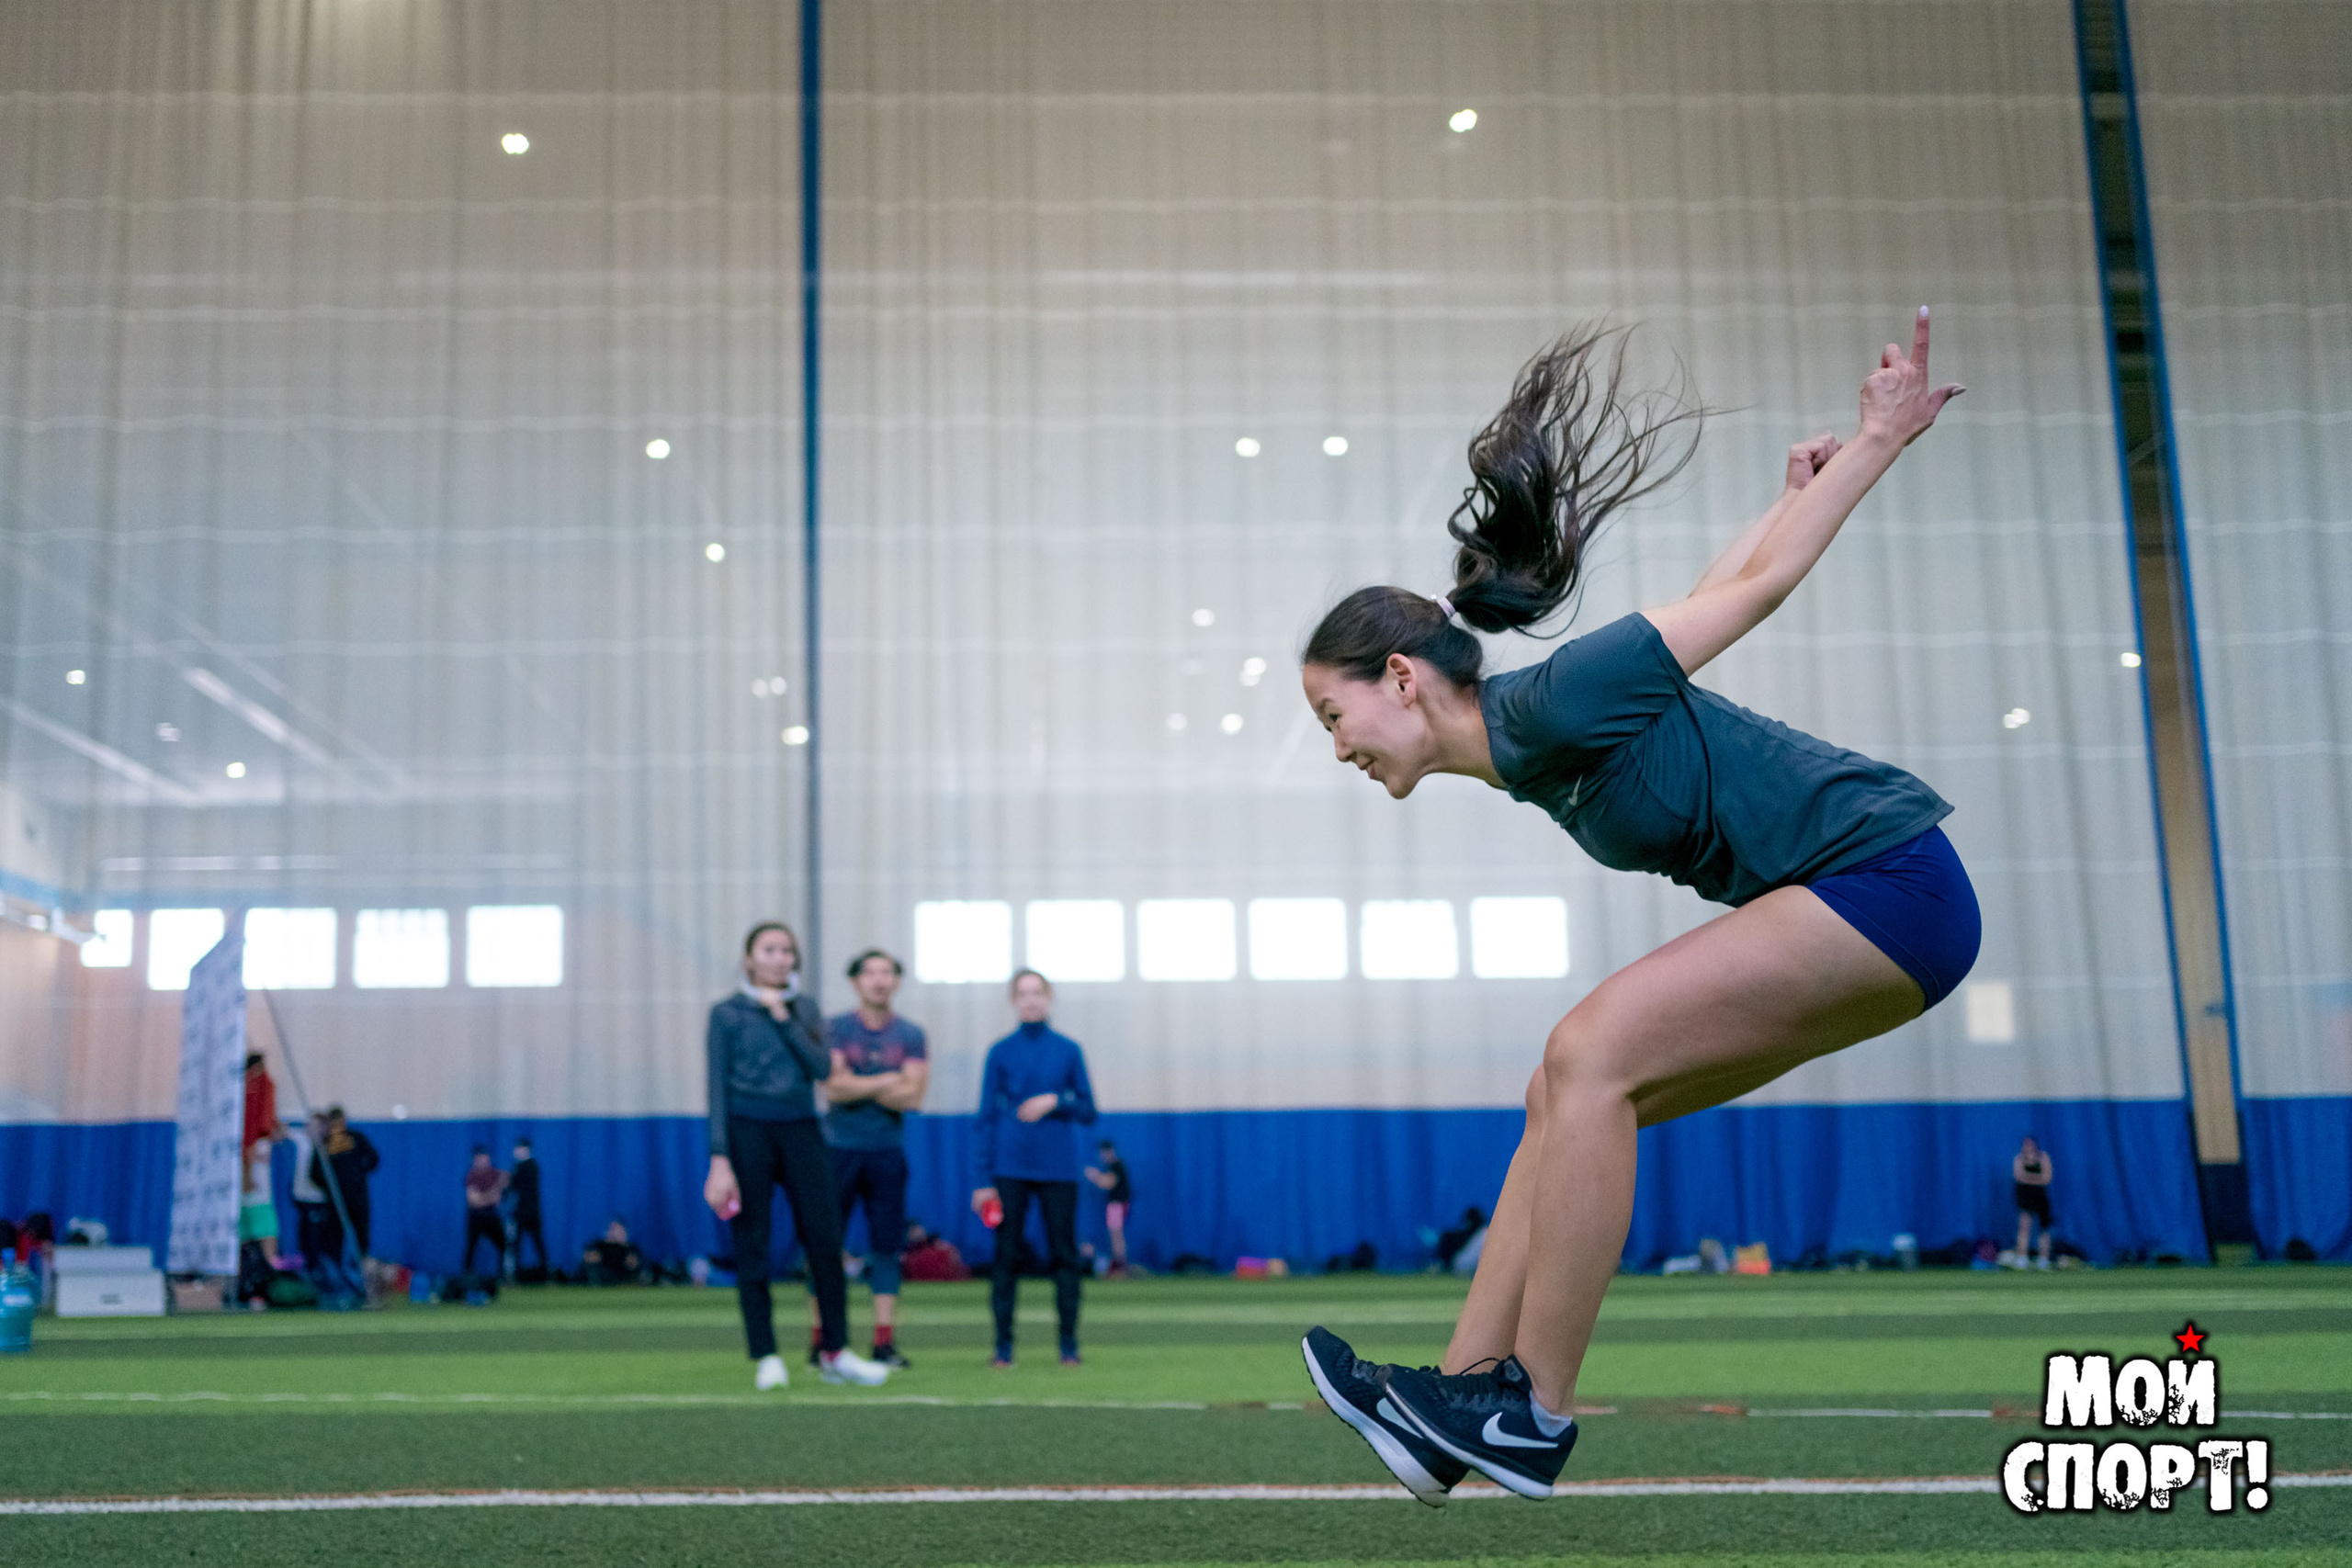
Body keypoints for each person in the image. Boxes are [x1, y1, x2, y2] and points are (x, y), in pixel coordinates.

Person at [1297, 313, 1978, 1504]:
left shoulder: (1556, 698)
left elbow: (1757, 592)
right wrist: (1784, 494)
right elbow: (1721, 582)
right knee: (1557, 1095)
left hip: (1889, 880)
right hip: (1849, 903)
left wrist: (1877, 440)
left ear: (1399, 678)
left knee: (1589, 1049)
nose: (1339, 746)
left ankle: (1535, 1410)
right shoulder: (1533, 742)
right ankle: (1458, 1401)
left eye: (1333, 715)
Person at [702, 919, 889, 1392]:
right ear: (749, 958)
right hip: (747, 1132)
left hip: (803, 1129)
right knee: (754, 1246)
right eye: (769, 950)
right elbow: (716, 1088)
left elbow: (823, 1068)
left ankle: (836, 1352)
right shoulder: (726, 1014)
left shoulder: (804, 1008)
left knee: (826, 1242)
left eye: (787, 951)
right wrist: (719, 1158)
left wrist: (783, 1018)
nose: (779, 958)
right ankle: (766, 1355)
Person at [807, 947, 929, 1370]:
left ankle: (883, 1342)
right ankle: (821, 1340)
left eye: (887, 973)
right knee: (826, 1246)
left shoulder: (911, 1034)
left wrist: (859, 1083)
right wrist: (886, 1080)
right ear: (856, 981)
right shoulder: (835, 1028)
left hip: (887, 1153)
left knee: (886, 1250)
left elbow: (913, 1096)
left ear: (896, 981)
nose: (878, 980)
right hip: (837, 1150)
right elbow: (834, 1088)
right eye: (870, 973)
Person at [972, 969, 1098, 1367]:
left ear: (1049, 998)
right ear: (1013, 1000)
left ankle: (1068, 1346)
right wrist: (982, 1180)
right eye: (1023, 993)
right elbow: (985, 1117)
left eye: (1037, 993)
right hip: (1009, 1168)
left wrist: (1055, 1101)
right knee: (1006, 1257)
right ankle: (1003, 1347)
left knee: (1064, 1256)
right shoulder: (1000, 1051)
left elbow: (1088, 1109)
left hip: (1058, 1170)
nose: (1031, 1000)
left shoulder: (1068, 1050)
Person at [1083, 1139, 1132, 1276]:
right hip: (1116, 1205)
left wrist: (1095, 1176)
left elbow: (1108, 1183)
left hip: (1117, 1205)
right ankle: (1119, 1266)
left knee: (1116, 1235)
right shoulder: (1115, 1166)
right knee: (1116, 1235)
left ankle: (1120, 1267)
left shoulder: (1117, 1165)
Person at [461, 1146, 508, 1277]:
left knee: (503, 1245)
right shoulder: (472, 1176)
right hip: (476, 1216)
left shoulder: (495, 1174)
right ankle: (467, 1275)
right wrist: (491, 1196)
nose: (482, 1161)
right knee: (471, 1247)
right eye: (479, 1158)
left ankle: (503, 1276)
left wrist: (490, 1196)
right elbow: (474, 1200)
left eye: (484, 1158)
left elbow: (504, 1184)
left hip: (491, 1216)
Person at [2012, 1135, 2054, 1269]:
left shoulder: (2043, 1157)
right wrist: (2037, 1178)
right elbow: (2019, 1177)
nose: (2028, 1147)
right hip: (2025, 1197)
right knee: (2024, 1227)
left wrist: (2028, 1178)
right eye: (2026, 1145)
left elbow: (2047, 1178)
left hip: (2040, 1196)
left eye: (2030, 1144)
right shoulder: (2019, 1159)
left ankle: (2043, 1260)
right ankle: (2022, 1258)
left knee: (2044, 1228)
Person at [508, 1138, 546, 1279]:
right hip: (520, 1212)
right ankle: (514, 1275)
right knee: (516, 1245)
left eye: (520, 1149)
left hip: (530, 1212)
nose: (516, 1152)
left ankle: (545, 1273)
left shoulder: (530, 1166)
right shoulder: (518, 1167)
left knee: (538, 1243)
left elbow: (514, 1183)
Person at [581, 1216, 644, 1284]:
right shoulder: (599, 1245)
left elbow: (636, 1262)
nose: (615, 1233)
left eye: (618, 1230)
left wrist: (633, 1263)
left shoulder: (631, 1248)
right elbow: (587, 1256)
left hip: (624, 1276)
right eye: (613, 1229)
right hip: (603, 1276)